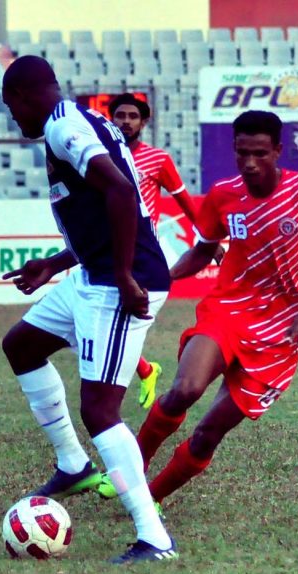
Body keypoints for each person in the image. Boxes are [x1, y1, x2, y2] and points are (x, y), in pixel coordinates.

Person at [135, 110, 298, 510]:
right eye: (242, 153)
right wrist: (164, 278)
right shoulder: (224, 195)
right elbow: (204, 251)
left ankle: (148, 500)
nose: (250, 163)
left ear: (278, 151)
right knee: (184, 390)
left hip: (280, 333)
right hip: (226, 312)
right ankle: (129, 471)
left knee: (209, 432)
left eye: (260, 153)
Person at [0, 55, 177, 564]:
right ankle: (73, 465)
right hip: (92, 273)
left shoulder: (61, 129)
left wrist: (123, 276)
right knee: (23, 345)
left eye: (14, 110)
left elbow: (122, 192)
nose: (16, 121)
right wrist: (55, 263)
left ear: (28, 97)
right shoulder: (76, 121)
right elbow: (103, 210)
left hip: (122, 281)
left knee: (100, 411)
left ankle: (154, 537)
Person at [108, 93, 203, 409]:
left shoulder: (158, 159)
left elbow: (184, 200)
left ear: (143, 122)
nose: (126, 121)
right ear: (112, 119)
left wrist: (210, 239)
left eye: (132, 116)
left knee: (123, 323)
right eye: (120, 115)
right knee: (106, 323)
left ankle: (120, 390)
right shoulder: (100, 156)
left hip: (143, 253)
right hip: (106, 248)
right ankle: (146, 371)